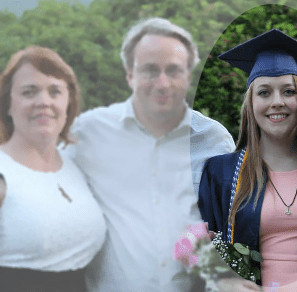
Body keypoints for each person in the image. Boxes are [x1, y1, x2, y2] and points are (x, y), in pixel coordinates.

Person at [62, 18, 235, 291]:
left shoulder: (214, 140)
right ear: (129, 74)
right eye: (150, 70)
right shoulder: (87, 133)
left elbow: (229, 228)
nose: (163, 83)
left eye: (174, 70)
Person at [198, 29, 297, 292]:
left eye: (288, 91)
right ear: (250, 103)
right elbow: (183, 245)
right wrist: (221, 278)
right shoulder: (220, 173)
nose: (277, 102)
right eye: (264, 93)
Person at [0, 46, 106, 291]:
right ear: (8, 105)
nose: (44, 102)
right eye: (29, 92)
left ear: (68, 103)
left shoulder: (73, 166)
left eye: (55, 91)